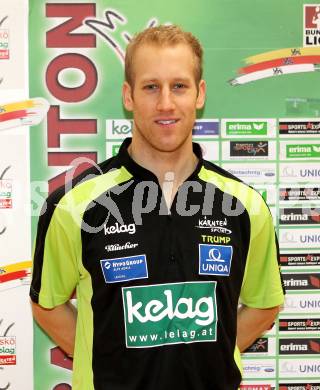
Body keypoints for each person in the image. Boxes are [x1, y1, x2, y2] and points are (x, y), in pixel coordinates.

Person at [30, 25, 284, 390]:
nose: (166, 103)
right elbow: (48, 305)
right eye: (151, 87)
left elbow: (264, 305)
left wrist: (208, 353)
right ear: (128, 96)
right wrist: (110, 357)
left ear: (199, 94)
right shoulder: (74, 205)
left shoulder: (244, 206)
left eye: (179, 86)